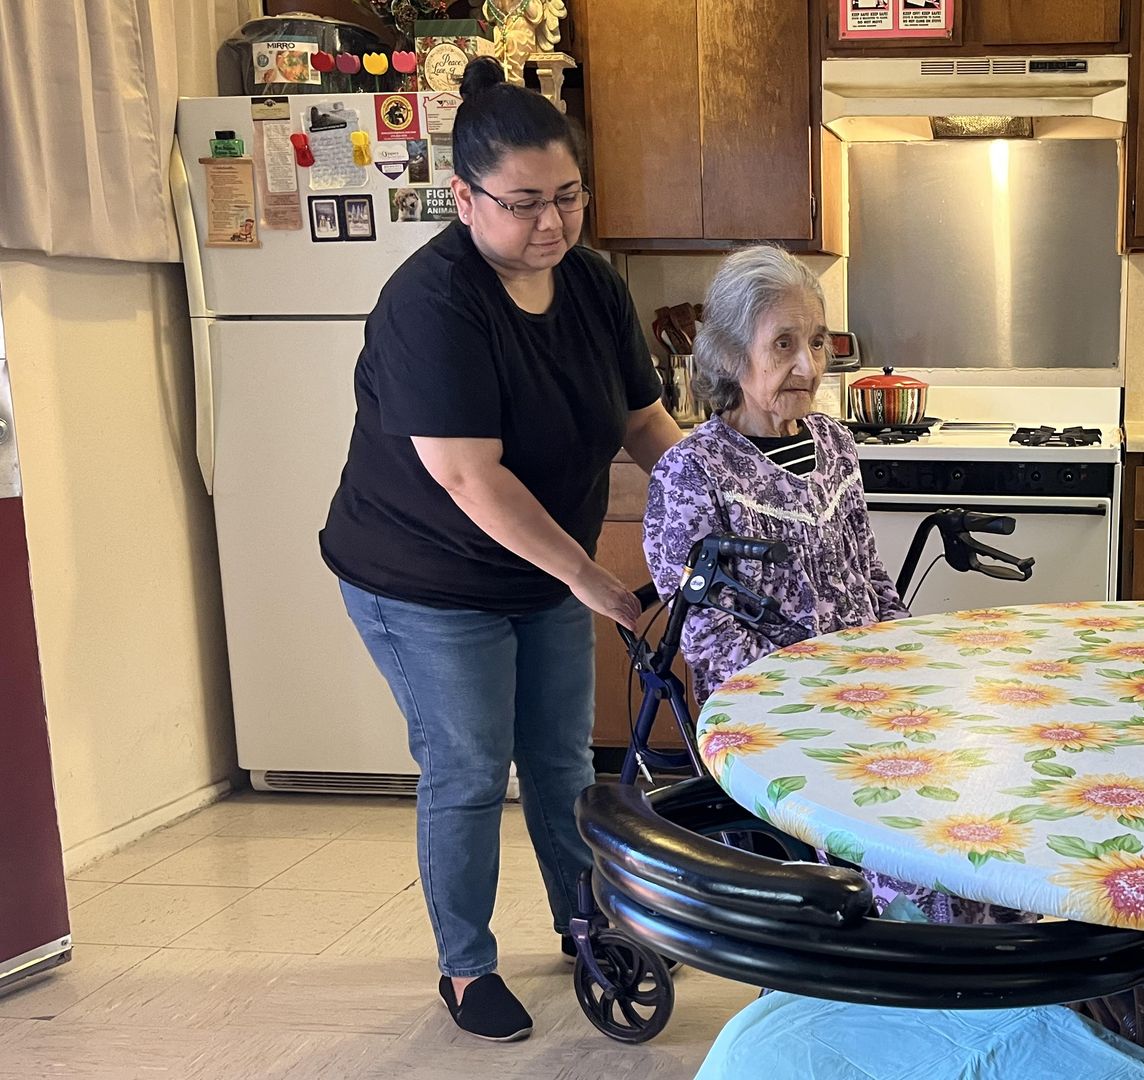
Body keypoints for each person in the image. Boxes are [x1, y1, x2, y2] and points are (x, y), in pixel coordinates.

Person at [317, 56, 681, 1042]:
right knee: (470, 766)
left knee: (563, 759)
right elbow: (470, 477)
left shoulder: (593, 285)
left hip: (537, 564)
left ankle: (586, 924)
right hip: (424, 576)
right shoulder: (431, 304)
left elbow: (647, 425)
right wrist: (593, 577)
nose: (551, 224)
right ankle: (465, 969)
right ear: (465, 199)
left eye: (567, 198)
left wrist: (725, 491)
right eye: (524, 205)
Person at [644, 245, 1028, 925]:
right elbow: (709, 640)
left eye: (816, 342)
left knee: (991, 792)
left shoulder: (833, 442)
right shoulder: (691, 472)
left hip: (869, 691)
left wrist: (915, 658)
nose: (807, 366)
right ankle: (913, 973)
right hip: (778, 721)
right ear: (733, 355)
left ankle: (1000, 972)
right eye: (783, 344)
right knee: (913, 845)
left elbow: (867, 573)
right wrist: (828, 692)